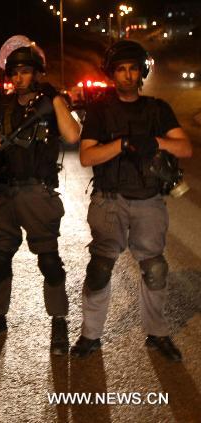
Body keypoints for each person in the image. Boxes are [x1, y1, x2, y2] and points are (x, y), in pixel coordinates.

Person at [70, 40, 192, 361]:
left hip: (149, 200)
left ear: (141, 72)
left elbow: (185, 148)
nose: (127, 75)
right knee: (100, 268)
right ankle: (90, 335)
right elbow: (86, 156)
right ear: (113, 74)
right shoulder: (99, 110)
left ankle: (157, 333)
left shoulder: (157, 109)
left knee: (155, 268)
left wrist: (153, 140)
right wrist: (123, 144)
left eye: (133, 68)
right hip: (108, 200)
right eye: (121, 69)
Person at [0, 35, 81, 355]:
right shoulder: (0, 107)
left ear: (37, 73)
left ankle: (58, 323)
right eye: (14, 73)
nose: (19, 79)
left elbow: (73, 135)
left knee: (48, 260)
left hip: (36, 192)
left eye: (26, 72)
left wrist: (58, 101)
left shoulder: (50, 103)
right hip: (4, 193)